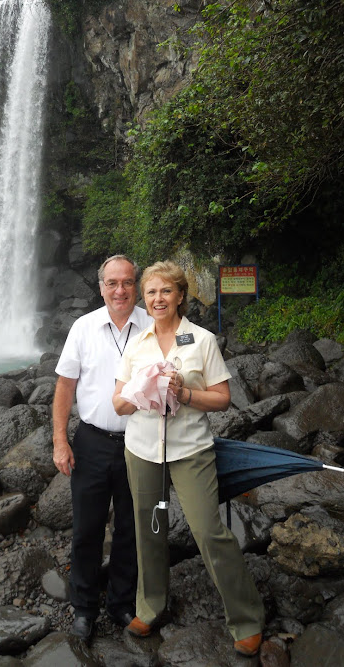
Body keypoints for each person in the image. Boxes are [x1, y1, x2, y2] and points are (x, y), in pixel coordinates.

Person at [112, 260, 265, 657]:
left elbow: (223, 398)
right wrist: (140, 391)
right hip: (143, 452)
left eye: (166, 291)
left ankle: (246, 619)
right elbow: (118, 404)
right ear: (144, 299)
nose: (158, 298)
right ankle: (151, 606)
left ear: (180, 296)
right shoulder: (136, 341)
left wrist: (183, 395)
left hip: (190, 451)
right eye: (151, 292)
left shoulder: (202, 340)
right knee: (150, 530)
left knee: (208, 531)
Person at [52, 255, 153, 643]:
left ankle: (122, 601)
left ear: (136, 285)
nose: (120, 290)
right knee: (87, 529)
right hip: (92, 441)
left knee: (131, 528)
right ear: (101, 288)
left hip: (140, 442)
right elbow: (64, 386)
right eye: (112, 283)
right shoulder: (83, 327)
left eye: (127, 282)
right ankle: (84, 607)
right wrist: (60, 440)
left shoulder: (153, 326)